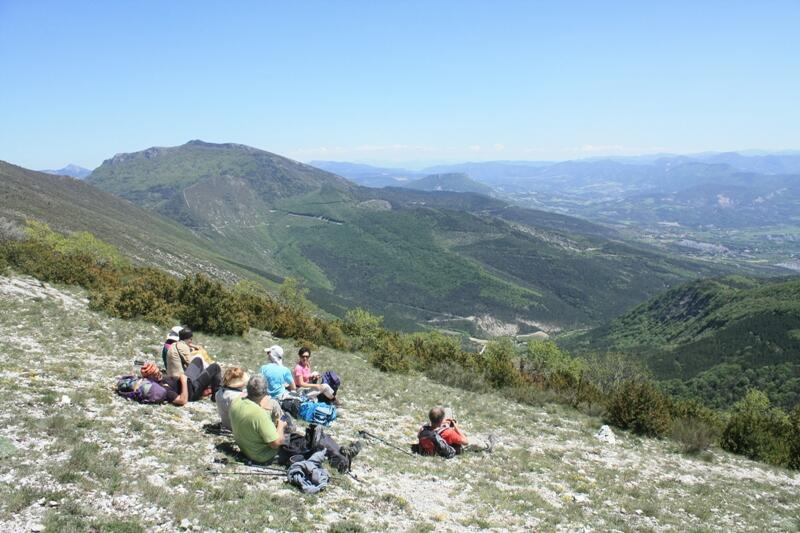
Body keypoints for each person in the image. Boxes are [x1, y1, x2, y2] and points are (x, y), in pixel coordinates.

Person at [229, 375, 288, 464]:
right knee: (286, 428)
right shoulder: (260, 414)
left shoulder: (236, 400)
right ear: (265, 392)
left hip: (244, 447)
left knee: (273, 405)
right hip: (261, 456)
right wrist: (281, 425)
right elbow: (275, 444)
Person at [416, 406, 494, 458]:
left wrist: (443, 423)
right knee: (473, 440)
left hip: (437, 434)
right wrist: (457, 428)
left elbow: (420, 435)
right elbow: (465, 442)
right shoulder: (448, 433)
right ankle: (488, 445)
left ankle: (444, 421)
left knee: (448, 410)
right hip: (453, 447)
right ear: (441, 420)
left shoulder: (423, 429)